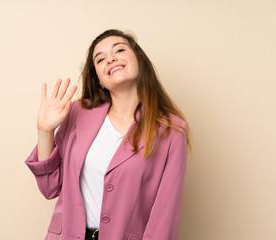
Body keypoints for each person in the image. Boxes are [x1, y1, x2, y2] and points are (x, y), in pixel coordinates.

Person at [25, 29, 191, 240]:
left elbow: (164, 218)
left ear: (140, 62)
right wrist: (45, 131)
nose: (111, 58)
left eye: (120, 50)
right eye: (100, 59)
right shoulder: (77, 113)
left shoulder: (172, 131)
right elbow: (49, 188)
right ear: (100, 80)